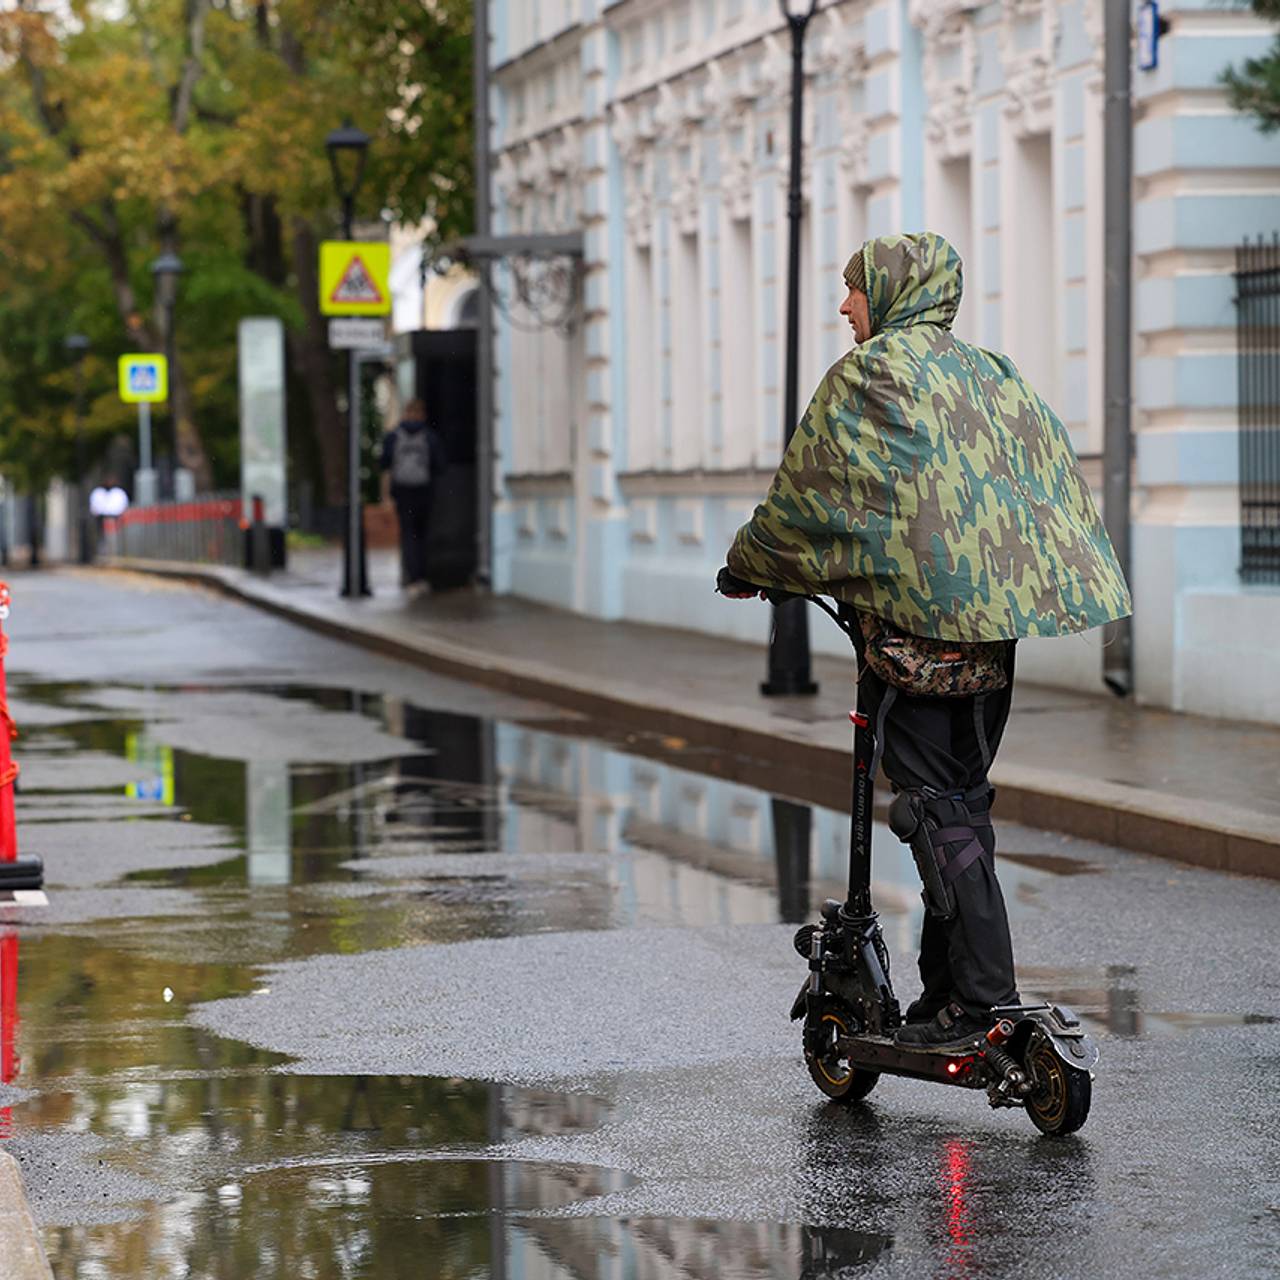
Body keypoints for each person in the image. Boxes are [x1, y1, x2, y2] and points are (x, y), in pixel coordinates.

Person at [717, 232, 1131, 1050]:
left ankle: (983, 1001)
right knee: (962, 807)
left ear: (891, 292)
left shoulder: (868, 377)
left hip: (912, 645)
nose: (844, 306)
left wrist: (748, 567)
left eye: (854, 289)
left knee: (934, 813)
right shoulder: (992, 374)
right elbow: (1038, 483)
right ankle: (947, 996)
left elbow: (807, 497)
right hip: (993, 644)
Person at [380, 398, 447, 598]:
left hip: (403, 492)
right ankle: (422, 578)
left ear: (405, 414)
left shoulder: (393, 436)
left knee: (408, 534)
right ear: (423, 415)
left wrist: (387, 494)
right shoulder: (429, 437)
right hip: (424, 492)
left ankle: (411, 579)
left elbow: (385, 464)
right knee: (422, 534)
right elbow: (440, 465)